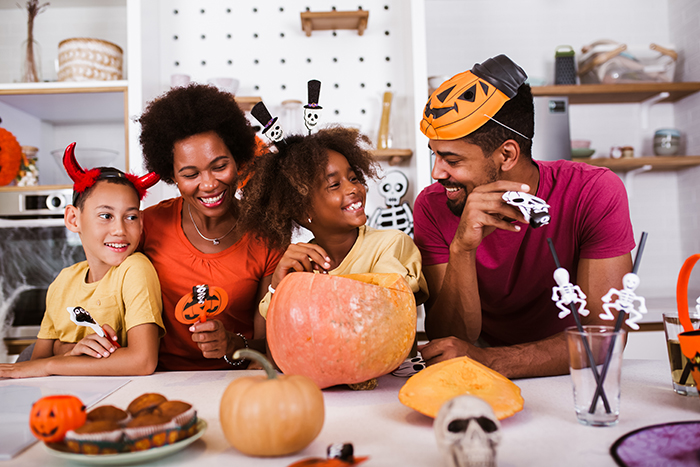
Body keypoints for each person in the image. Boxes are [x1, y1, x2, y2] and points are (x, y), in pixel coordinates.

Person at [414, 54, 635, 378]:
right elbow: (450, 340)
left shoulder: (594, 191)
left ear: (507, 154)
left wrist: (488, 361)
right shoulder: (432, 206)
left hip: (571, 373)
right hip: (476, 373)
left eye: (451, 159)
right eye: (434, 154)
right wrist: (462, 248)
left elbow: (603, 338)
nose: (436, 172)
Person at [137, 84, 283, 371]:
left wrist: (232, 344)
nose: (209, 184)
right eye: (190, 174)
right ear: (172, 176)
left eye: (219, 166)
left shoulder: (267, 238)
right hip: (159, 379)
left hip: (236, 382)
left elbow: (273, 346)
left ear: (239, 160)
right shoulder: (147, 226)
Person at [0, 143, 164, 378]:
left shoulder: (134, 268)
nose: (120, 229)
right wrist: (66, 351)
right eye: (106, 216)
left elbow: (142, 361)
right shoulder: (63, 281)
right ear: (73, 219)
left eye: (131, 216)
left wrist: (52, 363)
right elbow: (35, 360)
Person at [239, 126, 428, 318]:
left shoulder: (392, 244)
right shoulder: (301, 263)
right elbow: (277, 323)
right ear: (303, 210)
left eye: (353, 178)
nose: (353, 188)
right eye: (334, 185)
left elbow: (381, 307)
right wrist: (279, 284)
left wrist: (310, 290)